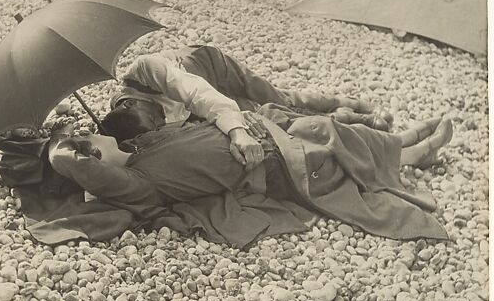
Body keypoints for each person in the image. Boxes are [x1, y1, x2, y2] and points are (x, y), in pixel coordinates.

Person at [29, 104, 452, 248]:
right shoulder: (136, 183)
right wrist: (62, 143)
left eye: (88, 136)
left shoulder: (142, 145)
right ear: (96, 170)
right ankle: (410, 152)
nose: (92, 138)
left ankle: (399, 145)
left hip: (262, 136)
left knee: (314, 125)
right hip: (273, 167)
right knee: (323, 139)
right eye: (90, 146)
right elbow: (71, 162)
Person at [99, 45, 393, 170]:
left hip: (211, 67)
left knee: (280, 99)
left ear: (132, 102)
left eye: (156, 114)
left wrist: (237, 131)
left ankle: (353, 106)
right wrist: (240, 121)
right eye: (158, 121)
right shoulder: (140, 123)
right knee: (269, 116)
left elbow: (198, 94)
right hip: (206, 103)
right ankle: (347, 121)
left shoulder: (146, 69)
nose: (162, 118)